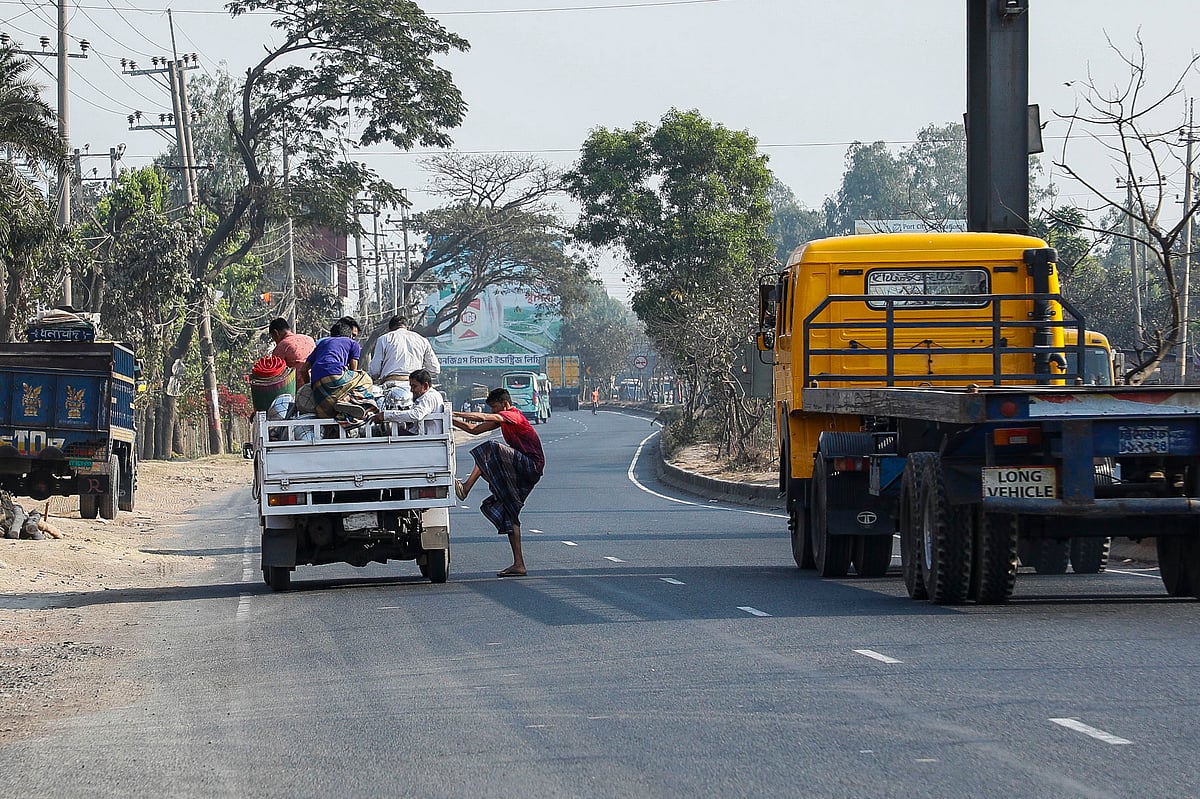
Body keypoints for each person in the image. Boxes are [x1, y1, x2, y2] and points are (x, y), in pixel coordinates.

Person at [453, 388, 545, 577]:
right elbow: (473, 429)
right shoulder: (503, 419)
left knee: (491, 447)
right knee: (510, 510)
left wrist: (453, 412)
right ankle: (519, 564)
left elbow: (481, 418)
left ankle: (466, 487)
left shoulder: (514, 415)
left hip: (531, 465)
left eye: (495, 407)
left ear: (505, 404)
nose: (493, 411)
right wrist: (449, 420)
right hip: (519, 466)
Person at [298, 319, 377, 418]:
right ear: (349, 335)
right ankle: (348, 399)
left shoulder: (322, 343)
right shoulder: (352, 343)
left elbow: (303, 370)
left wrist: (310, 387)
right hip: (335, 375)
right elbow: (354, 370)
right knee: (365, 378)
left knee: (329, 415)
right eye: (353, 336)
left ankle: (342, 406)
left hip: (317, 384)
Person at [369, 314, 440, 406]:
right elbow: (435, 369)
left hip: (390, 387)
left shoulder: (384, 339)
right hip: (417, 388)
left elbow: (375, 371)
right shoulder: (422, 340)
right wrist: (420, 376)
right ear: (407, 327)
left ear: (390, 329)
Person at [370, 369, 444, 434]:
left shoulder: (429, 397)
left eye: (414, 386)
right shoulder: (432, 395)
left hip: (426, 436)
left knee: (388, 434)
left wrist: (386, 415)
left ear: (425, 386)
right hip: (424, 434)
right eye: (411, 386)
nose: (411, 390)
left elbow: (416, 415)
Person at [267, 317, 316, 385]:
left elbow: (275, 373)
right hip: (317, 382)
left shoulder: (282, 346)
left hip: (298, 387)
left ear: (276, 333)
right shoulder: (309, 339)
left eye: (273, 337)